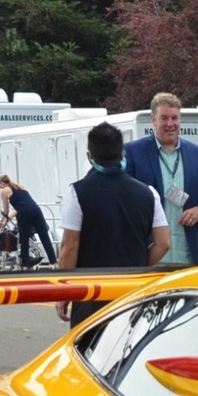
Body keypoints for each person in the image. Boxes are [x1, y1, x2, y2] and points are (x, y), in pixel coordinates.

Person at [52, 122, 170, 326]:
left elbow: (69, 246)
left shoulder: (78, 192)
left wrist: (65, 290)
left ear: (90, 156)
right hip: (132, 291)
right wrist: (140, 265)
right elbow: (164, 242)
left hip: (90, 292)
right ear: (122, 153)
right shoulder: (148, 193)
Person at [122, 91, 198, 267]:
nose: (170, 124)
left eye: (174, 118)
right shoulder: (133, 152)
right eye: (164, 118)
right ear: (153, 120)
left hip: (188, 258)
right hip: (150, 258)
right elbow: (124, 198)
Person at [0, 174, 56, 268]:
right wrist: (6, 220)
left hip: (24, 213)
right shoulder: (20, 188)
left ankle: (25, 265)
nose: (0, 188)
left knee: (24, 240)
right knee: (44, 237)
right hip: (36, 210)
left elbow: (6, 211)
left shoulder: (4, 191)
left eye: (0, 186)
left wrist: (1, 222)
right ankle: (54, 263)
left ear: (2, 183)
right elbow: (24, 204)